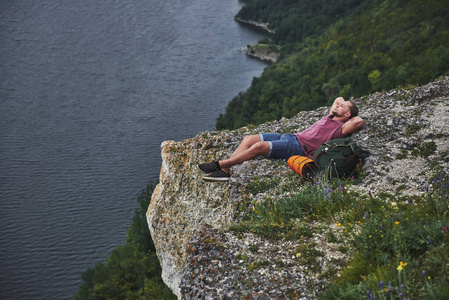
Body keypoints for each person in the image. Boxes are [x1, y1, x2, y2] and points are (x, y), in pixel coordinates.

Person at [198, 97, 364, 182]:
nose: (337, 105)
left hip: (299, 147)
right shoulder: (331, 115)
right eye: (338, 106)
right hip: (292, 137)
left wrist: (350, 114)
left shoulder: (341, 128)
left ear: (347, 115)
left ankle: (220, 165)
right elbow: (339, 98)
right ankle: (224, 172)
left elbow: (359, 121)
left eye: (342, 107)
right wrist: (343, 107)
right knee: (249, 138)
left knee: (260, 146)